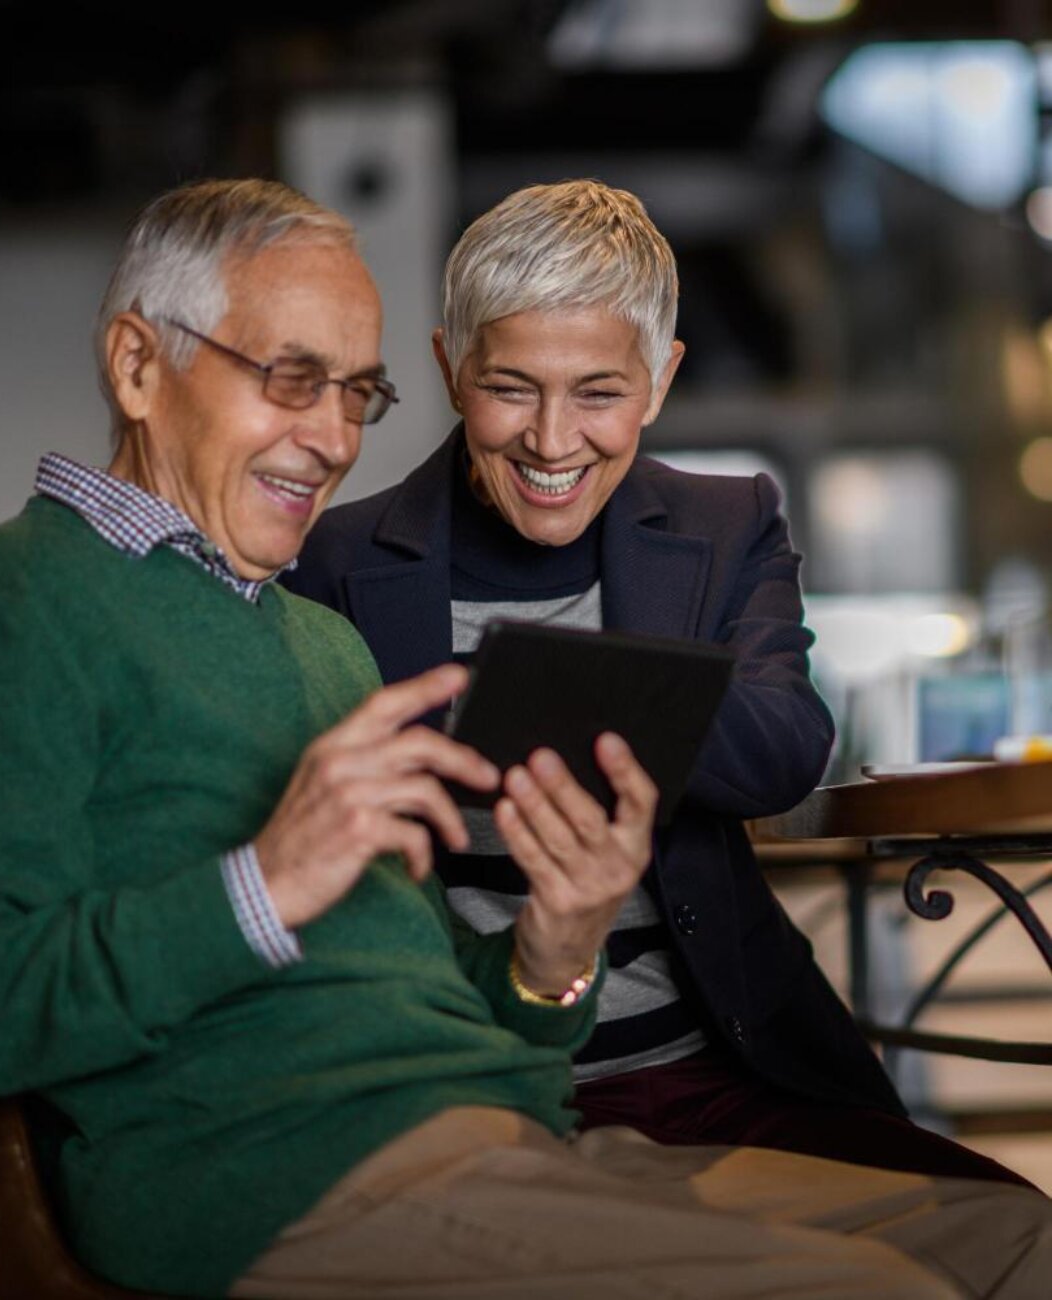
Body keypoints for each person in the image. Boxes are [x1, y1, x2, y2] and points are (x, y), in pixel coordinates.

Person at [0, 177, 1052, 1300]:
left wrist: (555, 943)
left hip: (509, 1136)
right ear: (134, 363)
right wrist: (264, 884)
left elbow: (452, 1012)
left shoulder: (310, 643)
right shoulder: (7, 607)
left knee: (1017, 1241)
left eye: (354, 394)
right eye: (290, 379)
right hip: (280, 1180)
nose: (332, 438)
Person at [285, 178, 1032, 1190]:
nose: (553, 442)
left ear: (660, 379)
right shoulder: (333, 558)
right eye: (511, 388)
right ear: (449, 369)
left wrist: (557, 687)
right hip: (473, 1087)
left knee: (1002, 1218)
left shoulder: (727, 525)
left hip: (718, 1068)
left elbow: (779, 750)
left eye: (597, 393)